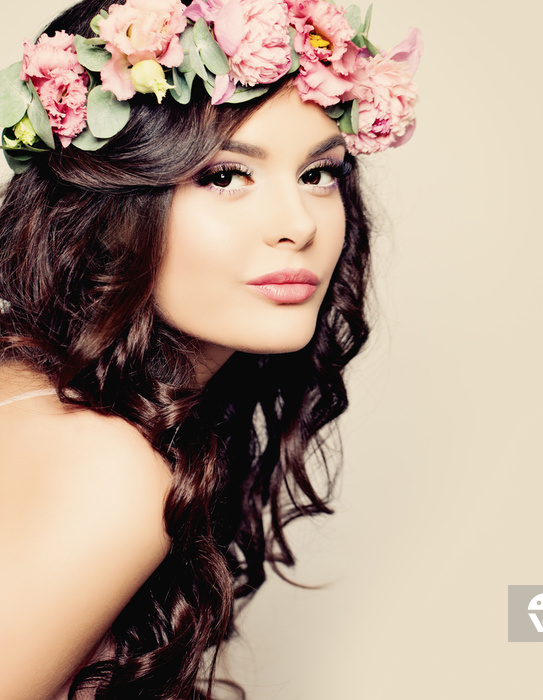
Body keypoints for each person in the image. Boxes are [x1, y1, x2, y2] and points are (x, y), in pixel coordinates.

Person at [0, 0, 420, 698]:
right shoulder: (108, 469)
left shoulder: (31, 386)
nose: (296, 226)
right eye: (224, 176)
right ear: (108, 204)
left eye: (319, 174)